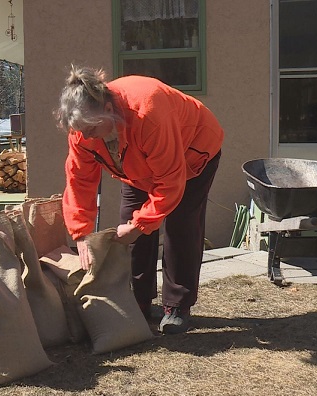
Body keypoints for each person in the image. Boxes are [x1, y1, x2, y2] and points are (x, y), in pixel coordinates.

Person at [55, 65, 224, 334]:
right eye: (79, 131)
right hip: (135, 169)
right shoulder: (83, 129)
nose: (85, 137)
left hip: (193, 154)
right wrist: (81, 233)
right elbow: (79, 180)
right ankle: (138, 302)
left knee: (180, 227)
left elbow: (170, 181)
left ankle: (177, 306)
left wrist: (141, 224)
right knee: (129, 234)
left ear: (108, 110)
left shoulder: (148, 111)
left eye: (90, 129)